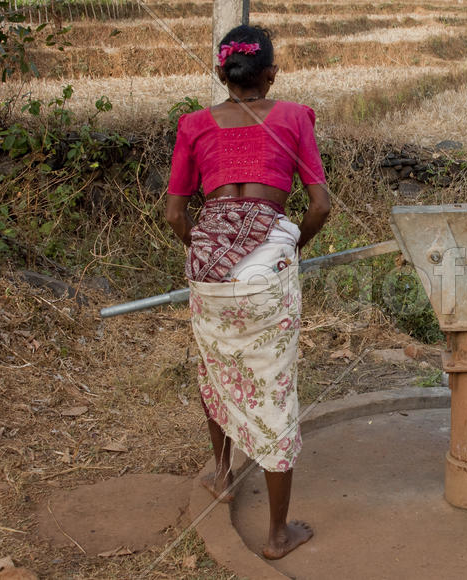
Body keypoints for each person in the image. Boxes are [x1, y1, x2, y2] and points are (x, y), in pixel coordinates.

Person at [165, 24, 330, 560]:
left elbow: (175, 213)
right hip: (269, 271)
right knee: (273, 388)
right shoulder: (294, 116)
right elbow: (321, 204)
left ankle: (222, 475)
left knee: (216, 370)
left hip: (208, 270)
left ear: (221, 74)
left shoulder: (193, 124)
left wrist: (213, 248)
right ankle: (278, 535)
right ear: (271, 75)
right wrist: (288, 246)